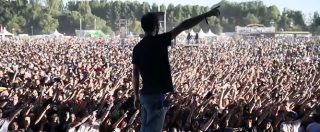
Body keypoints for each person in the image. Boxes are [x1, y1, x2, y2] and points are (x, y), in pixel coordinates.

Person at [131, 6, 221, 132]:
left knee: (145, 128)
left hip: (144, 95)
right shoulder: (160, 41)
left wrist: (136, 95)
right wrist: (205, 14)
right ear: (156, 26)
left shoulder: (137, 48)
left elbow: (135, 75)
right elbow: (184, 25)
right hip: (156, 95)